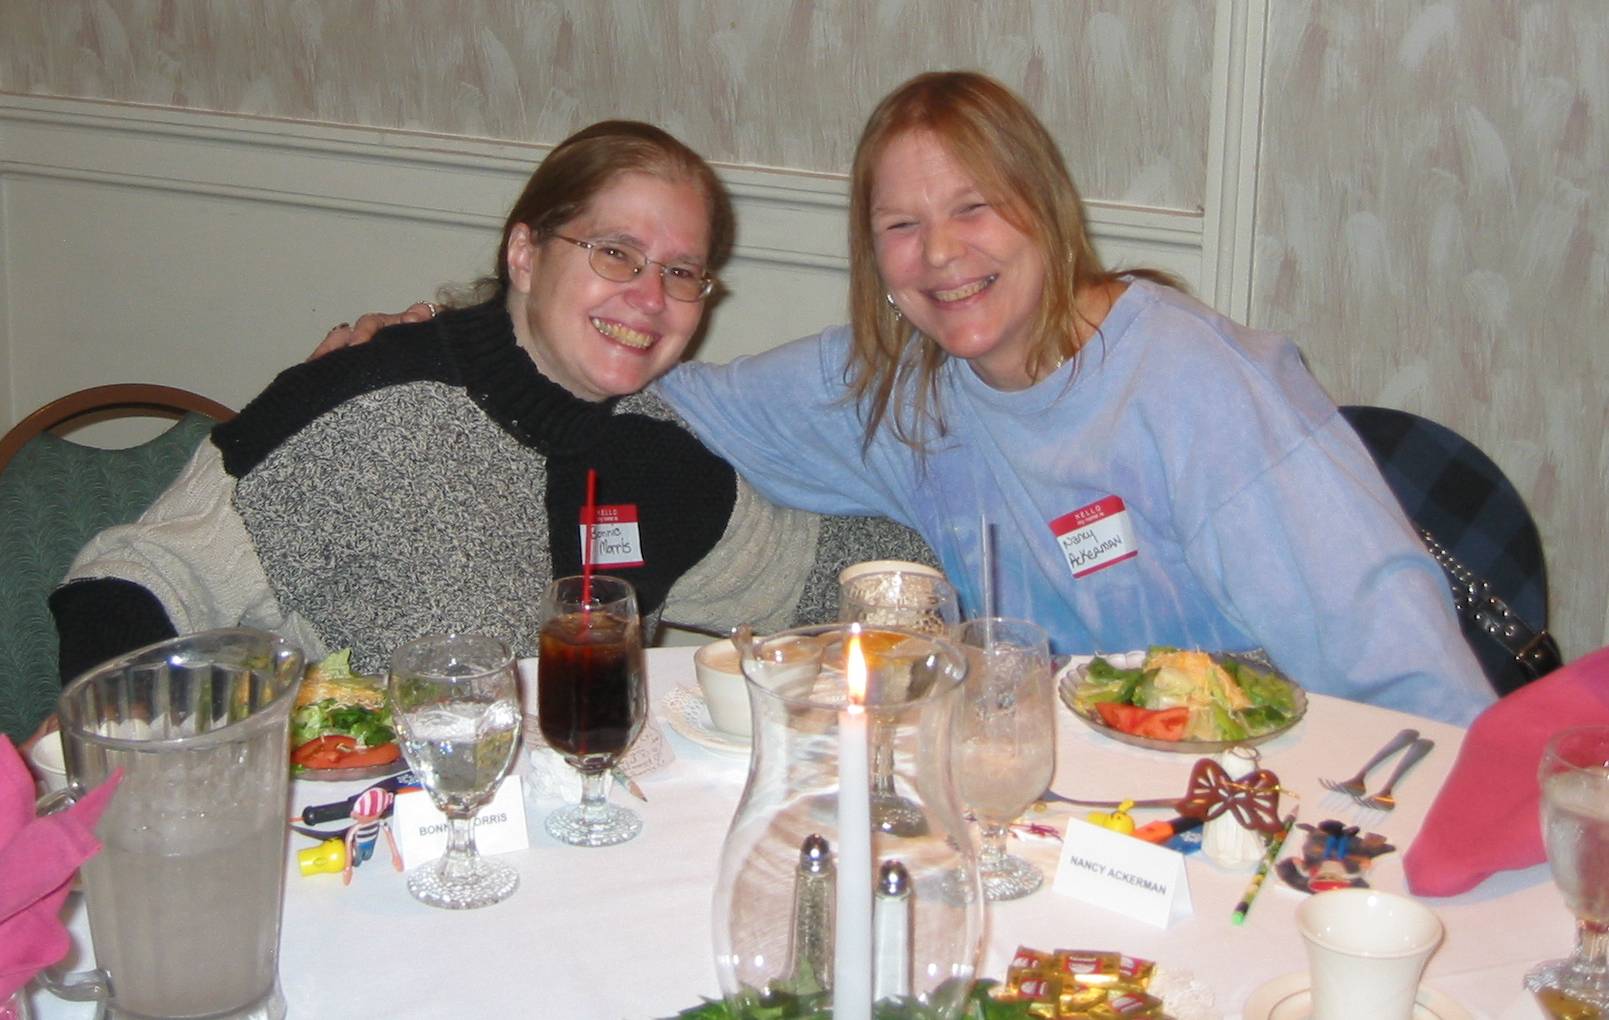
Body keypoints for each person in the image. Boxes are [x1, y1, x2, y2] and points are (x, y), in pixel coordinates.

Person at [321, 75, 1493, 725]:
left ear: (1045, 211)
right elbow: (643, 389)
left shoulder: (1194, 385)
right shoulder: (900, 390)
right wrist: (450, 335)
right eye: (901, 225)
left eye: (973, 208)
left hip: (1254, 810)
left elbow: (1400, 668)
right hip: (1050, 811)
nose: (940, 255)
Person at [50, 120, 931, 681]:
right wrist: (165, 765)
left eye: (680, 272)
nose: (648, 297)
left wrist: (941, 591)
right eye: (615, 253)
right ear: (524, 254)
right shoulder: (359, 400)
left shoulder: (655, 454)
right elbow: (132, 582)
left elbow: (815, 577)